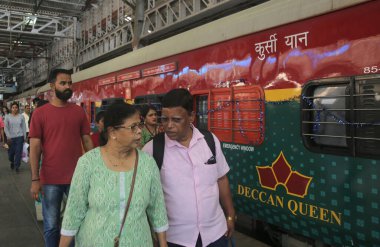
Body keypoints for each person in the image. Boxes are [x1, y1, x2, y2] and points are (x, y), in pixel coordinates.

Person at [59, 102, 168, 247]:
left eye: (139, 125)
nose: (139, 131)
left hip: (138, 241)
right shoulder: (88, 162)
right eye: (132, 127)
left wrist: (163, 243)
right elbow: (74, 210)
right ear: (112, 132)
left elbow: (157, 208)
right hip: (94, 241)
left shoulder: (147, 163)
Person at [143, 88, 236, 247]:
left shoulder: (209, 141)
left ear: (191, 117)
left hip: (216, 233)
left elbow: (221, 178)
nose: (169, 125)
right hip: (175, 239)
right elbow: (145, 196)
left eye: (176, 120)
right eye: (165, 119)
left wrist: (230, 214)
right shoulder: (152, 149)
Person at [29, 68, 94, 247]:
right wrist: (35, 179)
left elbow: (87, 141)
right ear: (52, 86)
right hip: (50, 179)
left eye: (69, 83)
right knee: (51, 225)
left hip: (77, 177)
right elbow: (34, 148)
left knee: (76, 223)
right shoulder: (40, 114)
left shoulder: (78, 112)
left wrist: (96, 169)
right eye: (63, 83)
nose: (67, 86)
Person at [4, 102, 26, 172]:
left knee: (18, 152)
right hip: (10, 138)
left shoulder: (21, 117)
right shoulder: (7, 117)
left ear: (18, 108)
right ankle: (12, 161)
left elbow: (23, 127)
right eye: (13, 107)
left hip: (20, 137)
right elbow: (5, 127)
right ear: (11, 108)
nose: (15, 109)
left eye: (16, 107)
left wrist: (24, 136)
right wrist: (8, 136)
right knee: (11, 153)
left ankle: (17, 166)